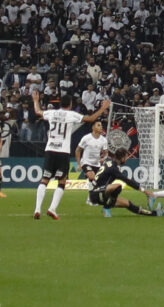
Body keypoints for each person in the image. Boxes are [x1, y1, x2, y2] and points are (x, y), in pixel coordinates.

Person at [31, 89, 109, 221]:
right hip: (63, 152)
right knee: (62, 182)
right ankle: (52, 209)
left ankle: (37, 209)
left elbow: (38, 112)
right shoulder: (71, 115)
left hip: (50, 150)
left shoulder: (52, 113)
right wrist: (103, 108)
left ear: (60, 103)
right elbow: (90, 119)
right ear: (70, 104)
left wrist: (35, 101)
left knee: (44, 180)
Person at [86, 156, 157, 218]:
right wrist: (144, 191)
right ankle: (106, 207)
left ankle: (153, 213)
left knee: (128, 204)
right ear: (122, 158)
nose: (126, 159)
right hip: (96, 193)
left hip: (101, 192)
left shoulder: (110, 162)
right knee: (118, 186)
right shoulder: (114, 168)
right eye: (126, 157)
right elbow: (127, 181)